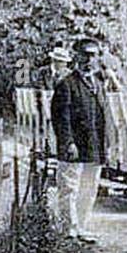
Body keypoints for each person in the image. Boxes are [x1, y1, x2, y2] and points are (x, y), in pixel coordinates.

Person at [52, 39, 107, 241]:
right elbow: (61, 118)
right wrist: (68, 143)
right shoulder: (66, 85)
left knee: (89, 187)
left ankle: (82, 226)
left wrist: (106, 144)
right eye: (85, 54)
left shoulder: (99, 84)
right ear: (76, 57)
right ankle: (69, 227)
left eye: (93, 55)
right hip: (74, 146)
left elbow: (103, 117)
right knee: (69, 186)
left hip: (94, 145)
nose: (89, 60)